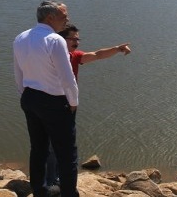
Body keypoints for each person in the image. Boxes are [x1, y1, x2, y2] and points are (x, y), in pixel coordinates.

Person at [45, 23, 131, 186]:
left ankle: (57, 177)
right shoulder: (49, 56)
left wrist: (117, 49)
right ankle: (50, 180)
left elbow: (97, 55)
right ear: (61, 39)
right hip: (51, 103)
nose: (77, 42)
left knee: (64, 143)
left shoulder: (75, 56)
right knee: (50, 144)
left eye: (78, 39)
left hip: (68, 104)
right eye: (73, 39)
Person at [13, 1, 79, 197]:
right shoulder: (55, 39)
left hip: (30, 97)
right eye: (64, 16)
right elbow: (67, 77)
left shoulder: (20, 37)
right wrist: (73, 102)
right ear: (50, 18)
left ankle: (41, 192)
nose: (67, 20)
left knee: (38, 148)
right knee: (67, 153)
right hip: (54, 101)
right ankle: (69, 194)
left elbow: (17, 73)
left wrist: (25, 95)